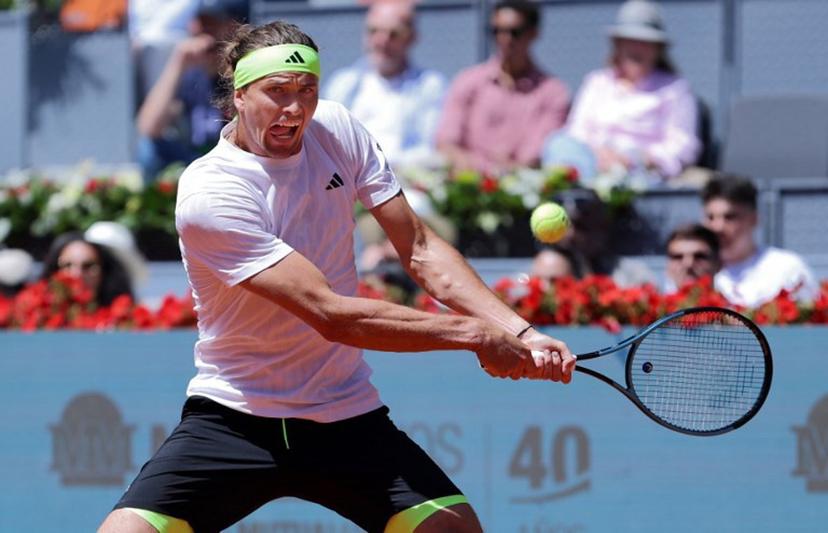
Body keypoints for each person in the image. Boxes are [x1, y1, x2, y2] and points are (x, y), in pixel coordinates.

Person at [98, 20, 575, 533]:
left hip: (342, 414)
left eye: (308, 91)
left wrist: (520, 330)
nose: (296, 109)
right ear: (238, 94)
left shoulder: (338, 129)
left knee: (453, 529)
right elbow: (330, 314)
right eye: (277, 92)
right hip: (234, 415)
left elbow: (418, 247)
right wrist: (476, 334)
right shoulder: (209, 192)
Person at [542, 0, 700, 184]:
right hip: (591, 165)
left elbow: (683, 146)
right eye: (630, 41)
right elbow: (576, 131)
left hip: (639, 176)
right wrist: (600, 155)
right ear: (617, 45)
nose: (637, 48)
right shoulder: (597, 82)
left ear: (658, 49)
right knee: (557, 143)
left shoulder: (675, 89)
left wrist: (636, 158)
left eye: (645, 42)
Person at [436, 0, 570, 176]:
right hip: (466, 187)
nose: (504, 39)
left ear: (533, 33)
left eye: (514, 32)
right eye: (496, 31)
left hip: (522, 191)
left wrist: (493, 172)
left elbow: (532, 158)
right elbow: (446, 142)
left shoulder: (554, 93)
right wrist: (475, 169)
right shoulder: (467, 81)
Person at [323, 0, 446, 167]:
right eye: (373, 31)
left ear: (412, 38)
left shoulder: (430, 86)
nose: (381, 41)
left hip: (406, 182)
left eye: (393, 34)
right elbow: (325, 142)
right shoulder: (343, 84)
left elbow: (431, 147)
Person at [135, 0, 247, 182]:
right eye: (199, 23)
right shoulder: (190, 71)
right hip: (195, 156)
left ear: (233, 28)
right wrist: (178, 62)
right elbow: (149, 128)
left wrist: (227, 62)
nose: (200, 30)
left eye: (210, 24)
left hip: (234, 158)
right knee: (148, 149)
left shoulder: (245, 68)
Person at [701, 173, 819, 306]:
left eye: (730, 217)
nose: (718, 227)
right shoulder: (692, 267)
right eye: (710, 217)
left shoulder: (787, 269)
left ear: (754, 219)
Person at [40, 231, 135, 307]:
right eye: (67, 266)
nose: (77, 274)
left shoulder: (125, 324)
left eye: (88, 266)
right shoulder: (34, 320)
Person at [663, 223, 720, 293]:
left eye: (699, 256)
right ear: (668, 266)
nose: (688, 264)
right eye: (678, 257)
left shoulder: (733, 303)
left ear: (717, 264)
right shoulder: (653, 304)